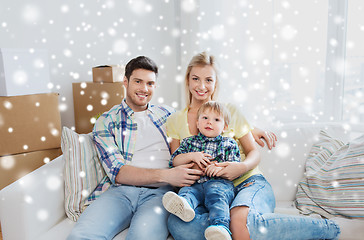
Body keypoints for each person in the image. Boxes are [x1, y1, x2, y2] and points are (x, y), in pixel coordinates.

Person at [166, 52, 341, 240]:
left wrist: (239, 167)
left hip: (246, 182)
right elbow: (177, 162)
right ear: (187, 80)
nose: (202, 86)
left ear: (216, 83)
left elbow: (253, 152)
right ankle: (225, 228)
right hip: (208, 191)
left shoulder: (230, 111)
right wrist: (197, 163)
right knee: (178, 224)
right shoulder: (175, 120)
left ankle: (329, 228)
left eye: (208, 80)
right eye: (195, 79)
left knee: (239, 221)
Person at [67, 56, 203, 240]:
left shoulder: (168, 114)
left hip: (160, 194)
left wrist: (249, 130)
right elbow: (118, 172)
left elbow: (207, 122)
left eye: (150, 83)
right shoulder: (106, 121)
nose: (144, 89)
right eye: (138, 81)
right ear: (125, 82)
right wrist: (167, 175)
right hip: (120, 191)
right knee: (80, 236)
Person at [163, 101, 240, 240]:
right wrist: (191, 155)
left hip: (219, 184)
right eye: (205, 118)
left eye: (216, 119)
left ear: (225, 127)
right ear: (197, 123)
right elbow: (174, 161)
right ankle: (185, 207)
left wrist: (218, 168)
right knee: (187, 192)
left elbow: (234, 167)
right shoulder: (189, 142)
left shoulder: (229, 144)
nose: (209, 122)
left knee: (217, 198)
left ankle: (220, 227)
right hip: (195, 184)